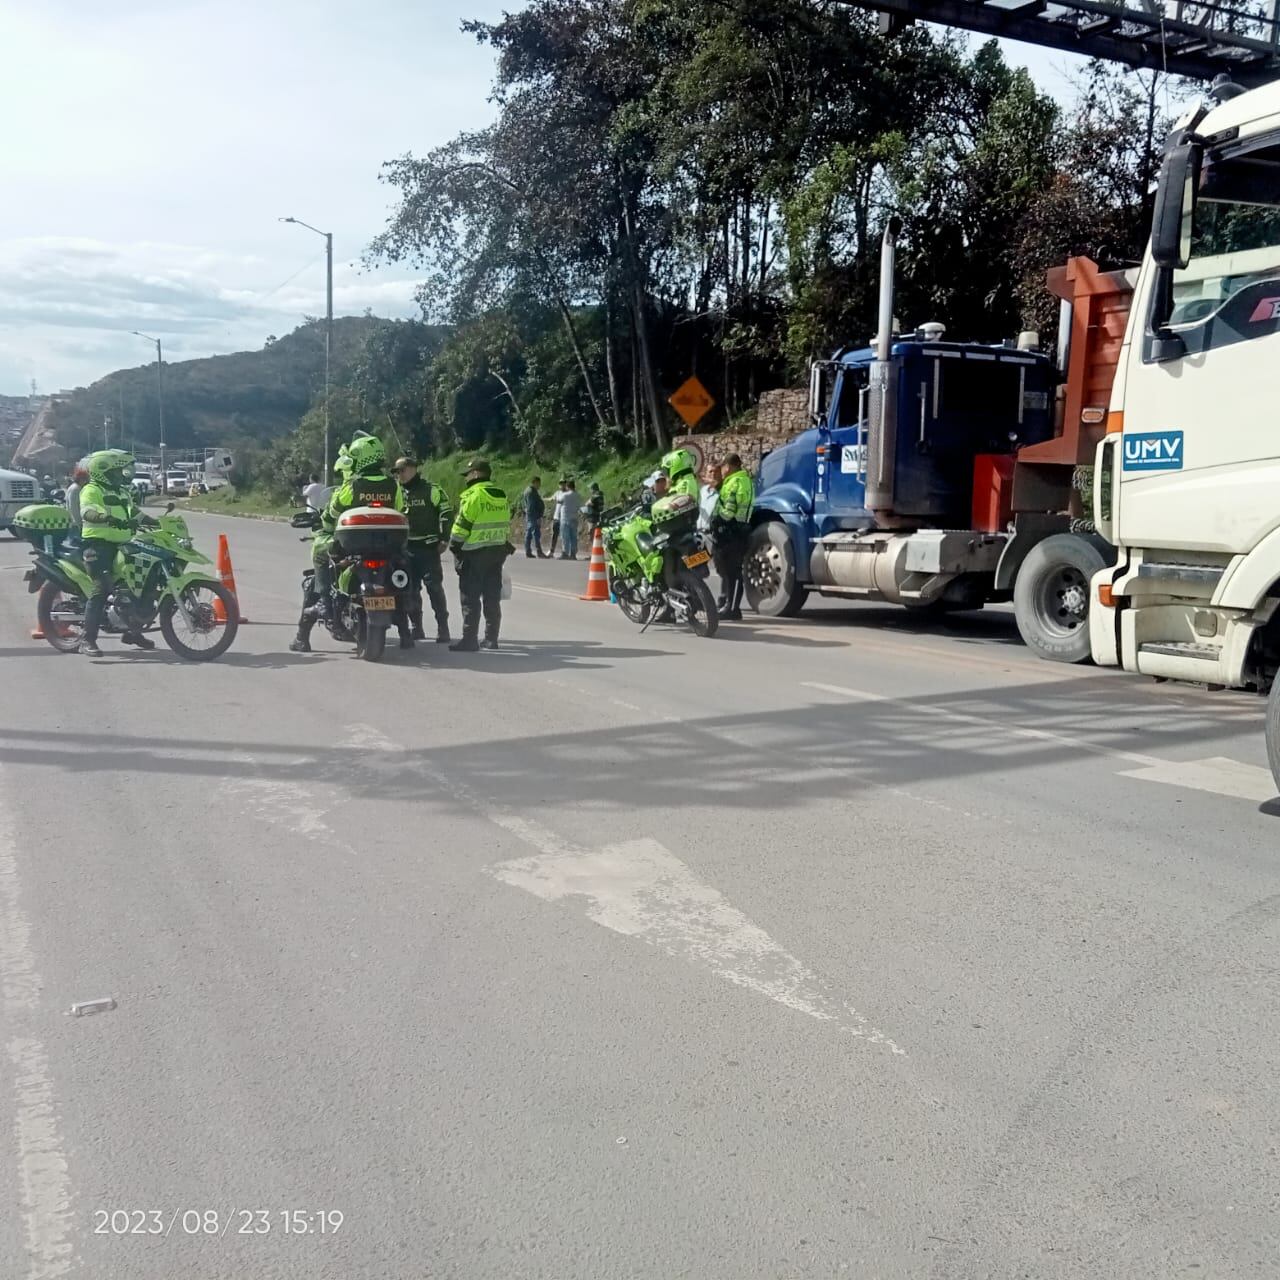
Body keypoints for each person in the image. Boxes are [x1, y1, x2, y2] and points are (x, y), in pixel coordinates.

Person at [77, 449, 155, 657]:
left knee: (135, 585)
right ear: (105, 471)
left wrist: (156, 522)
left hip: (123, 544)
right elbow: (87, 511)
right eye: (118, 470)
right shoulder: (92, 490)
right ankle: (87, 639)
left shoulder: (122, 492)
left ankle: (133, 633)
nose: (123, 474)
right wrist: (104, 517)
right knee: (100, 588)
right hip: (98, 546)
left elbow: (135, 513)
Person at [448, 457, 512, 651]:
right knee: (492, 597)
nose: (466, 478)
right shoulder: (501, 495)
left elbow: (461, 527)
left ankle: (469, 640)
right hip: (497, 551)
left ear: (475, 473)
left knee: (470, 598)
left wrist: (454, 546)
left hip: (474, 553)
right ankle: (491, 639)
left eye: (467, 474)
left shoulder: (473, 495)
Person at [395, 456, 452, 643]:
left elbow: (446, 512)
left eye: (402, 470)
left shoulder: (431, 490)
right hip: (405, 549)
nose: (400, 475)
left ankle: (443, 628)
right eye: (397, 472)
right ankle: (416, 627)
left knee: (434, 589)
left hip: (428, 549)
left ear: (413, 469)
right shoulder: (396, 492)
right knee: (409, 591)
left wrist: (444, 538)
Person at [713, 452, 755, 621]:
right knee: (729, 571)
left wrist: (717, 519)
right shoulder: (741, 480)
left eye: (722, 467)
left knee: (734, 573)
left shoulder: (735, 482)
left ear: (728, 467)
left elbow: (729, 510)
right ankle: (728, 604)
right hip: (737, 530)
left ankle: (732, 608)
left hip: (734, 531)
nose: (721, 470)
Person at [558, 479, 583, 559]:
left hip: (565, 518)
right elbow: (580, 506)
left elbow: (559, 501)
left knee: (565, 537)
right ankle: (573, 554)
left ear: (568, 487)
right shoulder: (578, 495)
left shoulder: (565, 495)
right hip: (574, 518)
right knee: (573, 537)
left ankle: (565, 552)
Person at [522, 475, 547, 558]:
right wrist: (537, 517)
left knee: (531, 533)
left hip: (532, 515)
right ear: (535, 482)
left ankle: (530, 551)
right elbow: (531, 506)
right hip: (533, 516)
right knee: (534, 534)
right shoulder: (531, 492)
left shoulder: (531, 491)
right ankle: (537, 552)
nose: (539, 485)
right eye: (539, 483)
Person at [698, 464, 722, 533]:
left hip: (712, 534)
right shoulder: (702, 490)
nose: (713, 474)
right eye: (710, 471)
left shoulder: (723, 491)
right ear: (705, 474)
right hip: (697, 534)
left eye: (716, 471)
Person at [65, 462, 88, 531]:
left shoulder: (76, 487)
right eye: (86, 479)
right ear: (81, 479)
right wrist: (79, 523)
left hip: (75, 522)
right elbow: (74, 508)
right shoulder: (76, 489)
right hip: (75, 524)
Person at [548, 478, 568, 557]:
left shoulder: (568, 494)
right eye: (560, 483)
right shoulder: (557, 493)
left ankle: (565, 552)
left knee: (564, 535)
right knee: (554, 535)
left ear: (566, 484)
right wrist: (542, 499)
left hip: (564, 517)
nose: (561, 485)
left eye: (563, 483)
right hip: (556, 517)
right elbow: (551, 499)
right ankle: (551, 551)